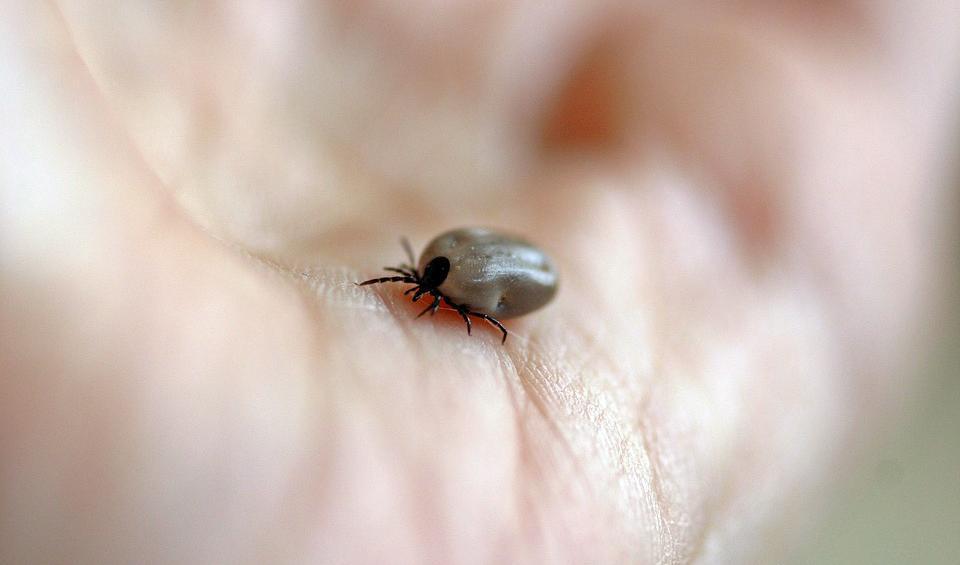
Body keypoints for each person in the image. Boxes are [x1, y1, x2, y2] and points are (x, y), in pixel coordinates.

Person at [1, 2, 957, 562]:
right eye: (424, 286)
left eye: (421, 287)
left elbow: (480, 280)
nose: (416, 294)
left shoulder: (452, 273)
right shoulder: (449, 274)